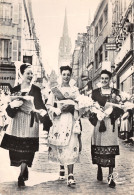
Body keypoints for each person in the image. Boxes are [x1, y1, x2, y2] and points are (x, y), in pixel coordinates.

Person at [1, 63, 47, 187]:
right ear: (21, 74)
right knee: (17, 150)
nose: (30, 75)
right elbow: (9, 111)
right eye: (28, 73)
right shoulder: (15, 89)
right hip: (17, 122)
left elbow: (41, 105)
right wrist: (12, 105)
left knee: (28, 150)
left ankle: (21, 175)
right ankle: (23, 168)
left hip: (31, 122)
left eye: (32, 73)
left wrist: (43, 112)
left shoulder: (36, 90)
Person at [46, 65, 82, 186]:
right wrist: (56, 110)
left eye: (68, 74)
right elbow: (49, 105)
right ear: (61, 75)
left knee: (71, 144)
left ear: (71, 75)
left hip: (71, 120)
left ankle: (70, 174)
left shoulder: (75, 90)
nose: (66, 77)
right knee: (60, 144)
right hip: (59, 121)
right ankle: (61, 166)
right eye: (64, 74)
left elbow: (80, 105)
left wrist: (73, 107)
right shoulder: (55, 90)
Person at [89, 69, 125, 188]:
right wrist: (96, 113)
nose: (104, 80)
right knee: (99, 146)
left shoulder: (115, 92)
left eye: (106, 78)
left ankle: (110, 175)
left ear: (110, 80)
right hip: (99, 124)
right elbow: (90, 107)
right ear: (100, 79)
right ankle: (99, 168)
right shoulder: (95, 93)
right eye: (102, 78)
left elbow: (120, 108)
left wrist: (111, 113)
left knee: (110, 149)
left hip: (110, 124)